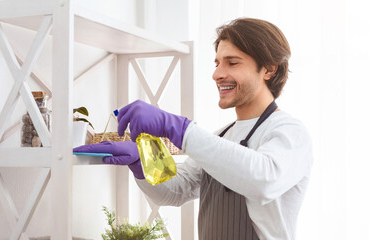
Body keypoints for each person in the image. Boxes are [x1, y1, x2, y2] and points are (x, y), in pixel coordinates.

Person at [74, 17, 313, 240]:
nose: (217, 74)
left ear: (269, 70)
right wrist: (142, 161)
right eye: (218, 63)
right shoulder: (222, 135)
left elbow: (263, 180)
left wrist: (179, 128)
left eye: (233, 63)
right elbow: (174, 192)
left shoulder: (289, 132)